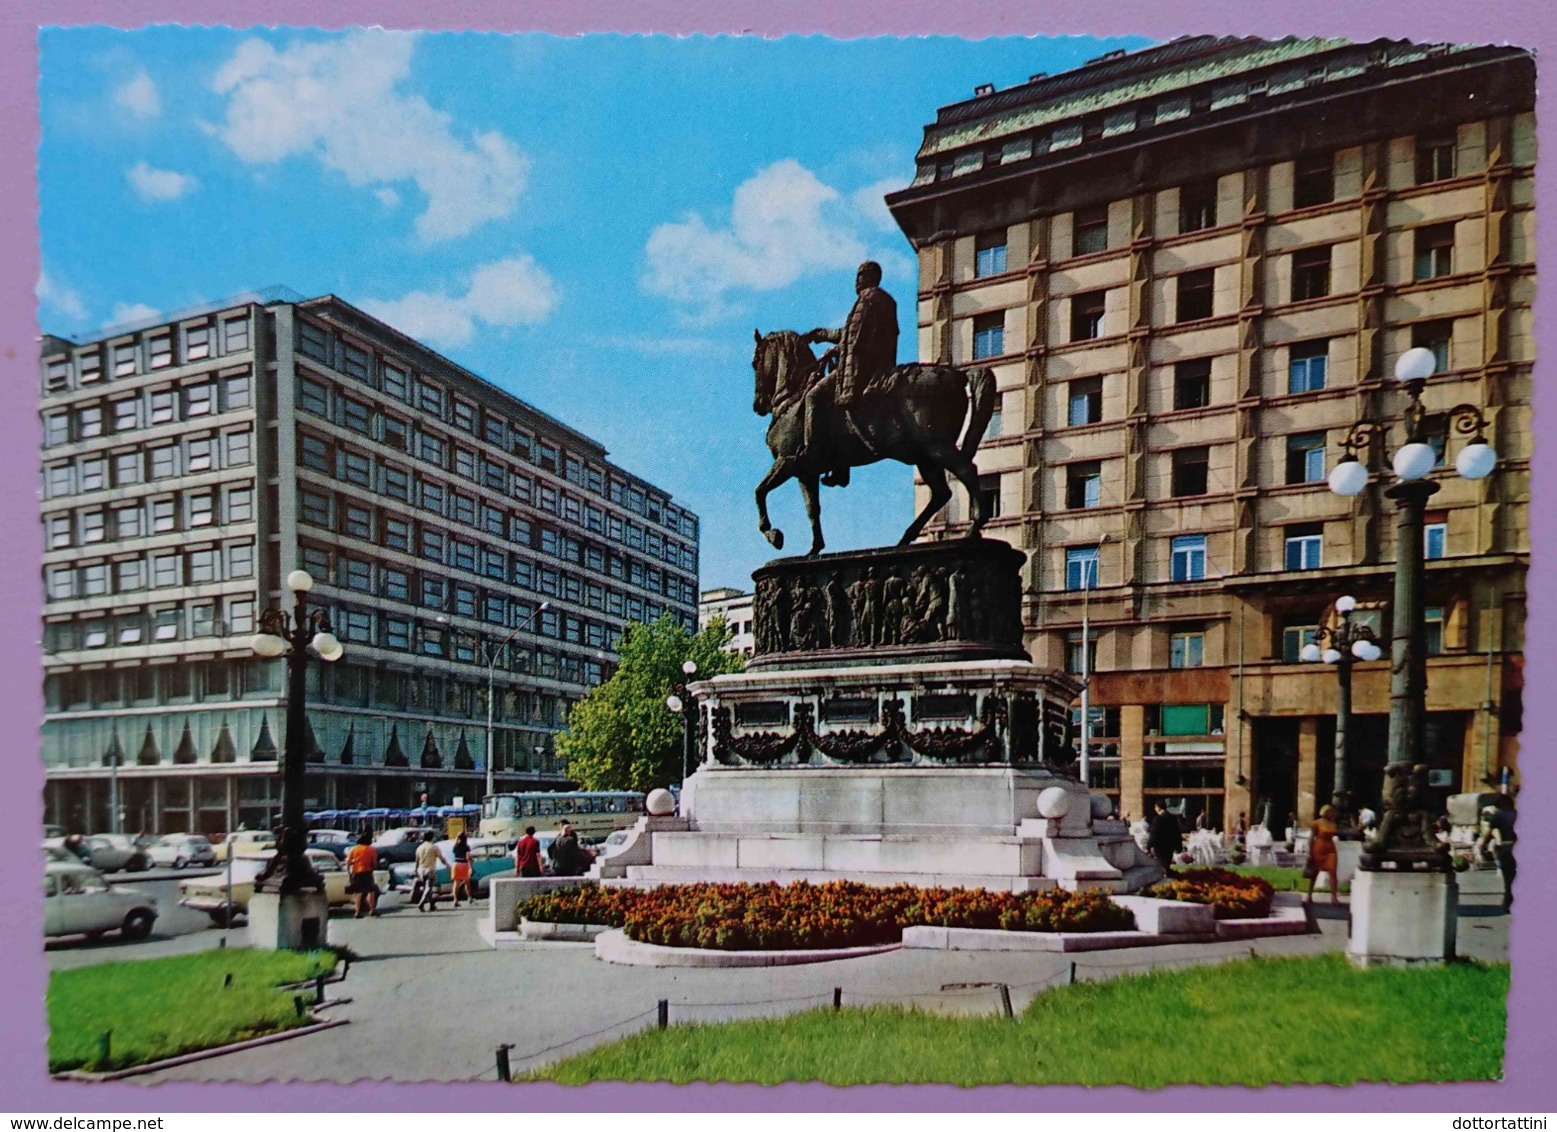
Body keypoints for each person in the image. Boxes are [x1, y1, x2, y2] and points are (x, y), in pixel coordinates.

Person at [803, 260, 899, 486]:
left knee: (813, 397)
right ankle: (840, 468)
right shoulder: (883, 299)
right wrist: (821, 334)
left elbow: (854, 338)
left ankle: (812, 453)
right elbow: (851, 334)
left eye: (860, 275)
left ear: (870, 277)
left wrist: (835, 347)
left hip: (860, 369)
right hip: (873, 364)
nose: (856, 280)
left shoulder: (868, 299)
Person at [1476, 801, 1517, 910]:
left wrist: (1480, 846)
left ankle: (1508, 901)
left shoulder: (1498, 816)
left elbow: (1487, 834)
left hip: (1506, 847)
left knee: (1508, 877)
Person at [1304, 804, 1341, 905]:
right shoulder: (1316, 823)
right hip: (1319, 848)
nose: (1333, 813)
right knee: (1314, 872)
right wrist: (1309, 852)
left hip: (1330, 848)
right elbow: (1311, 838)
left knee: (1333, 872)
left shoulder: (1333, 823)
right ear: (1325, 812)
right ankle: (1309, 895)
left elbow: (1336, 832)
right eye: (1330, 811)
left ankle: (1334, 897)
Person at [412, 830, 449, 912]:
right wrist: (447, 865)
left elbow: (417, 861)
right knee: (429, 887)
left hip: (421, 870)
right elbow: (441, 858)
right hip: (430, 870)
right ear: (432, 838)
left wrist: (416, 871)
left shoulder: (419, 848)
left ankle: (432, 905)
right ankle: (421, 903)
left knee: (426, 888)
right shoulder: (434, 847)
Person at [345, 832, 380, 919]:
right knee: (371, 891)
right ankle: (372, 910)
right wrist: (374, 867)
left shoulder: (353, 849)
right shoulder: (371, 849)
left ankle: (357, 912)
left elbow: (348, 862)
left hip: (357, 872)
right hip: (367, 872)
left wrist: (349, 872)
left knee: (358, 893)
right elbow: (374, 863)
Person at [1147, 802, 1183, 871]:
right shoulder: (1173, 818)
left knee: (1162, 863)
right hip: (1170, 845)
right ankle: (1167, 872)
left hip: (1160, 846)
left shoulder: (1158, 819)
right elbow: (1177, 832)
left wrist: (1149, 845)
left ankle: (1165, 875)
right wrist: (1178, 845)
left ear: (1158, 807)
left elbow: (1154, 833)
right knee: (1167, 862)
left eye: (1155, 807)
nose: (1155, 809)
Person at [450, 831, 474, 906]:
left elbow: (454, 846)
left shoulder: (456, 846)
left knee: (456, 883)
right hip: (464, 864)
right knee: (467, 882)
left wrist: (457, 837)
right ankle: (469, 897)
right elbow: (468, 857)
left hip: (456, 864)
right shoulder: (466, 847)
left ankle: (455, 900)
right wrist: (470, 867)